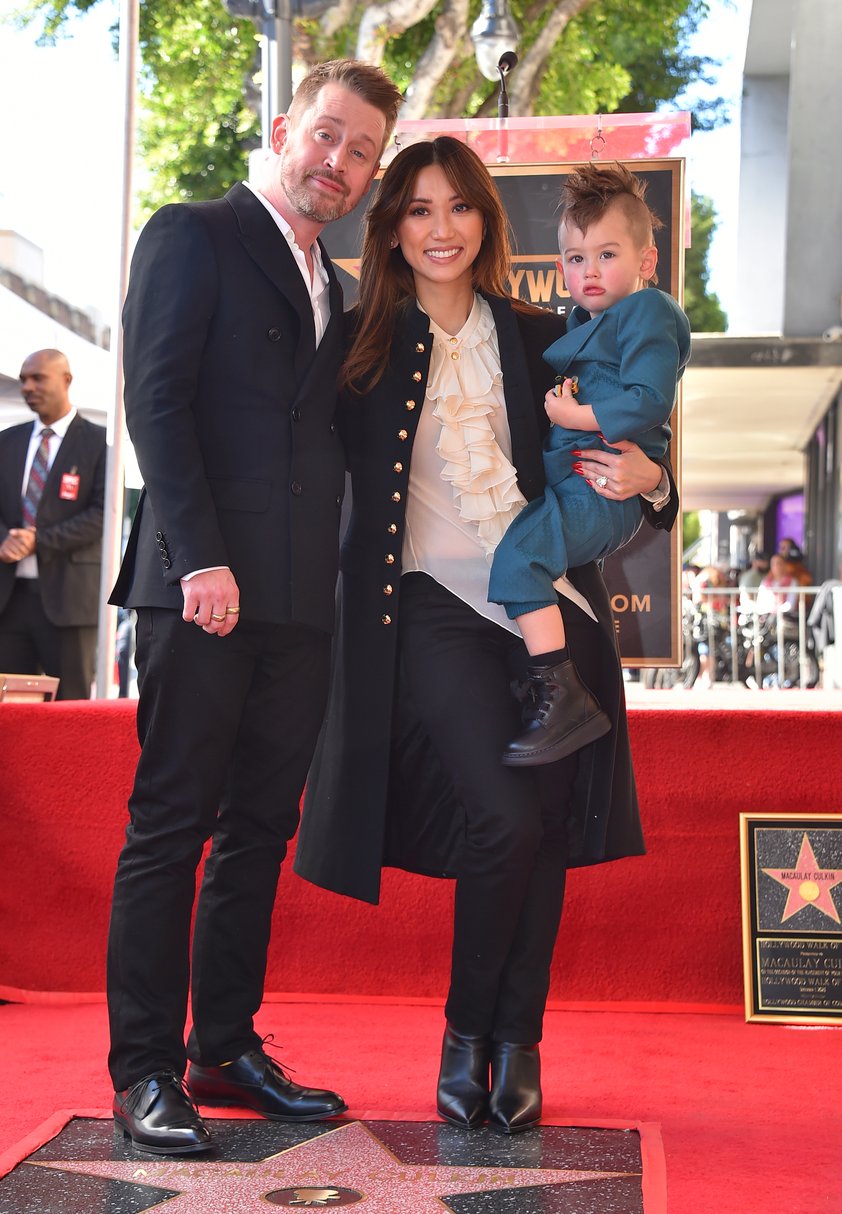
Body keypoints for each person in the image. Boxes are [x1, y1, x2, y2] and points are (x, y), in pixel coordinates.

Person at [294, 137, 677, 1135]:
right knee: (503, 817)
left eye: (456, 207)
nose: (438, 228)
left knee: (541, 830)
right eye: (416, 209)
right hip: (427, 611)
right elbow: (290, 462)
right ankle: (469, 1034)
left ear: (484, 222)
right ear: (391, 228)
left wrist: (656, 482)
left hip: (552, 617)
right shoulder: (361, 342)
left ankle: (520, 1042)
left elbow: (634, 438)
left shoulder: (545, 332)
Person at [106, 59, 403, 1156]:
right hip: (201, 588)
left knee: (257, 830)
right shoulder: (194, 232)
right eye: (327, 135)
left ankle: (220, 1046)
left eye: (361, 150)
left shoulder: (339, 283)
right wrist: (199, 560)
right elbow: (156, 399)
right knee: (170, 823)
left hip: (296, 606)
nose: (339, 161)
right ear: (286, 128)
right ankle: (142, 1070)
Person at [487, 163, 690, 764]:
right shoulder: (580, 322)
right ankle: (552, 684)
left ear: (646, 261)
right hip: (568, 484)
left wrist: (584, 423)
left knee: (520, 559)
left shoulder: (648, 311)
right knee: (520, 555)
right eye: (577, 259)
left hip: (599, 487)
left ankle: (560, 690)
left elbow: (651, 401)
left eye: (606, 254)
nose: (590, 270)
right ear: (560, 270)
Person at [0, 349, 105, 700]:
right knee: (11, 714)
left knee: (71, 710)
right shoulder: (6, 441)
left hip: (69, 604)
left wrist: (38, 540)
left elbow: (102, 514)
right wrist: (5, 540)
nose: (28, 386)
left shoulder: (99, 444)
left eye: (37, 378)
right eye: (23, 380)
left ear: (67, 380)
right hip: (9, 601)